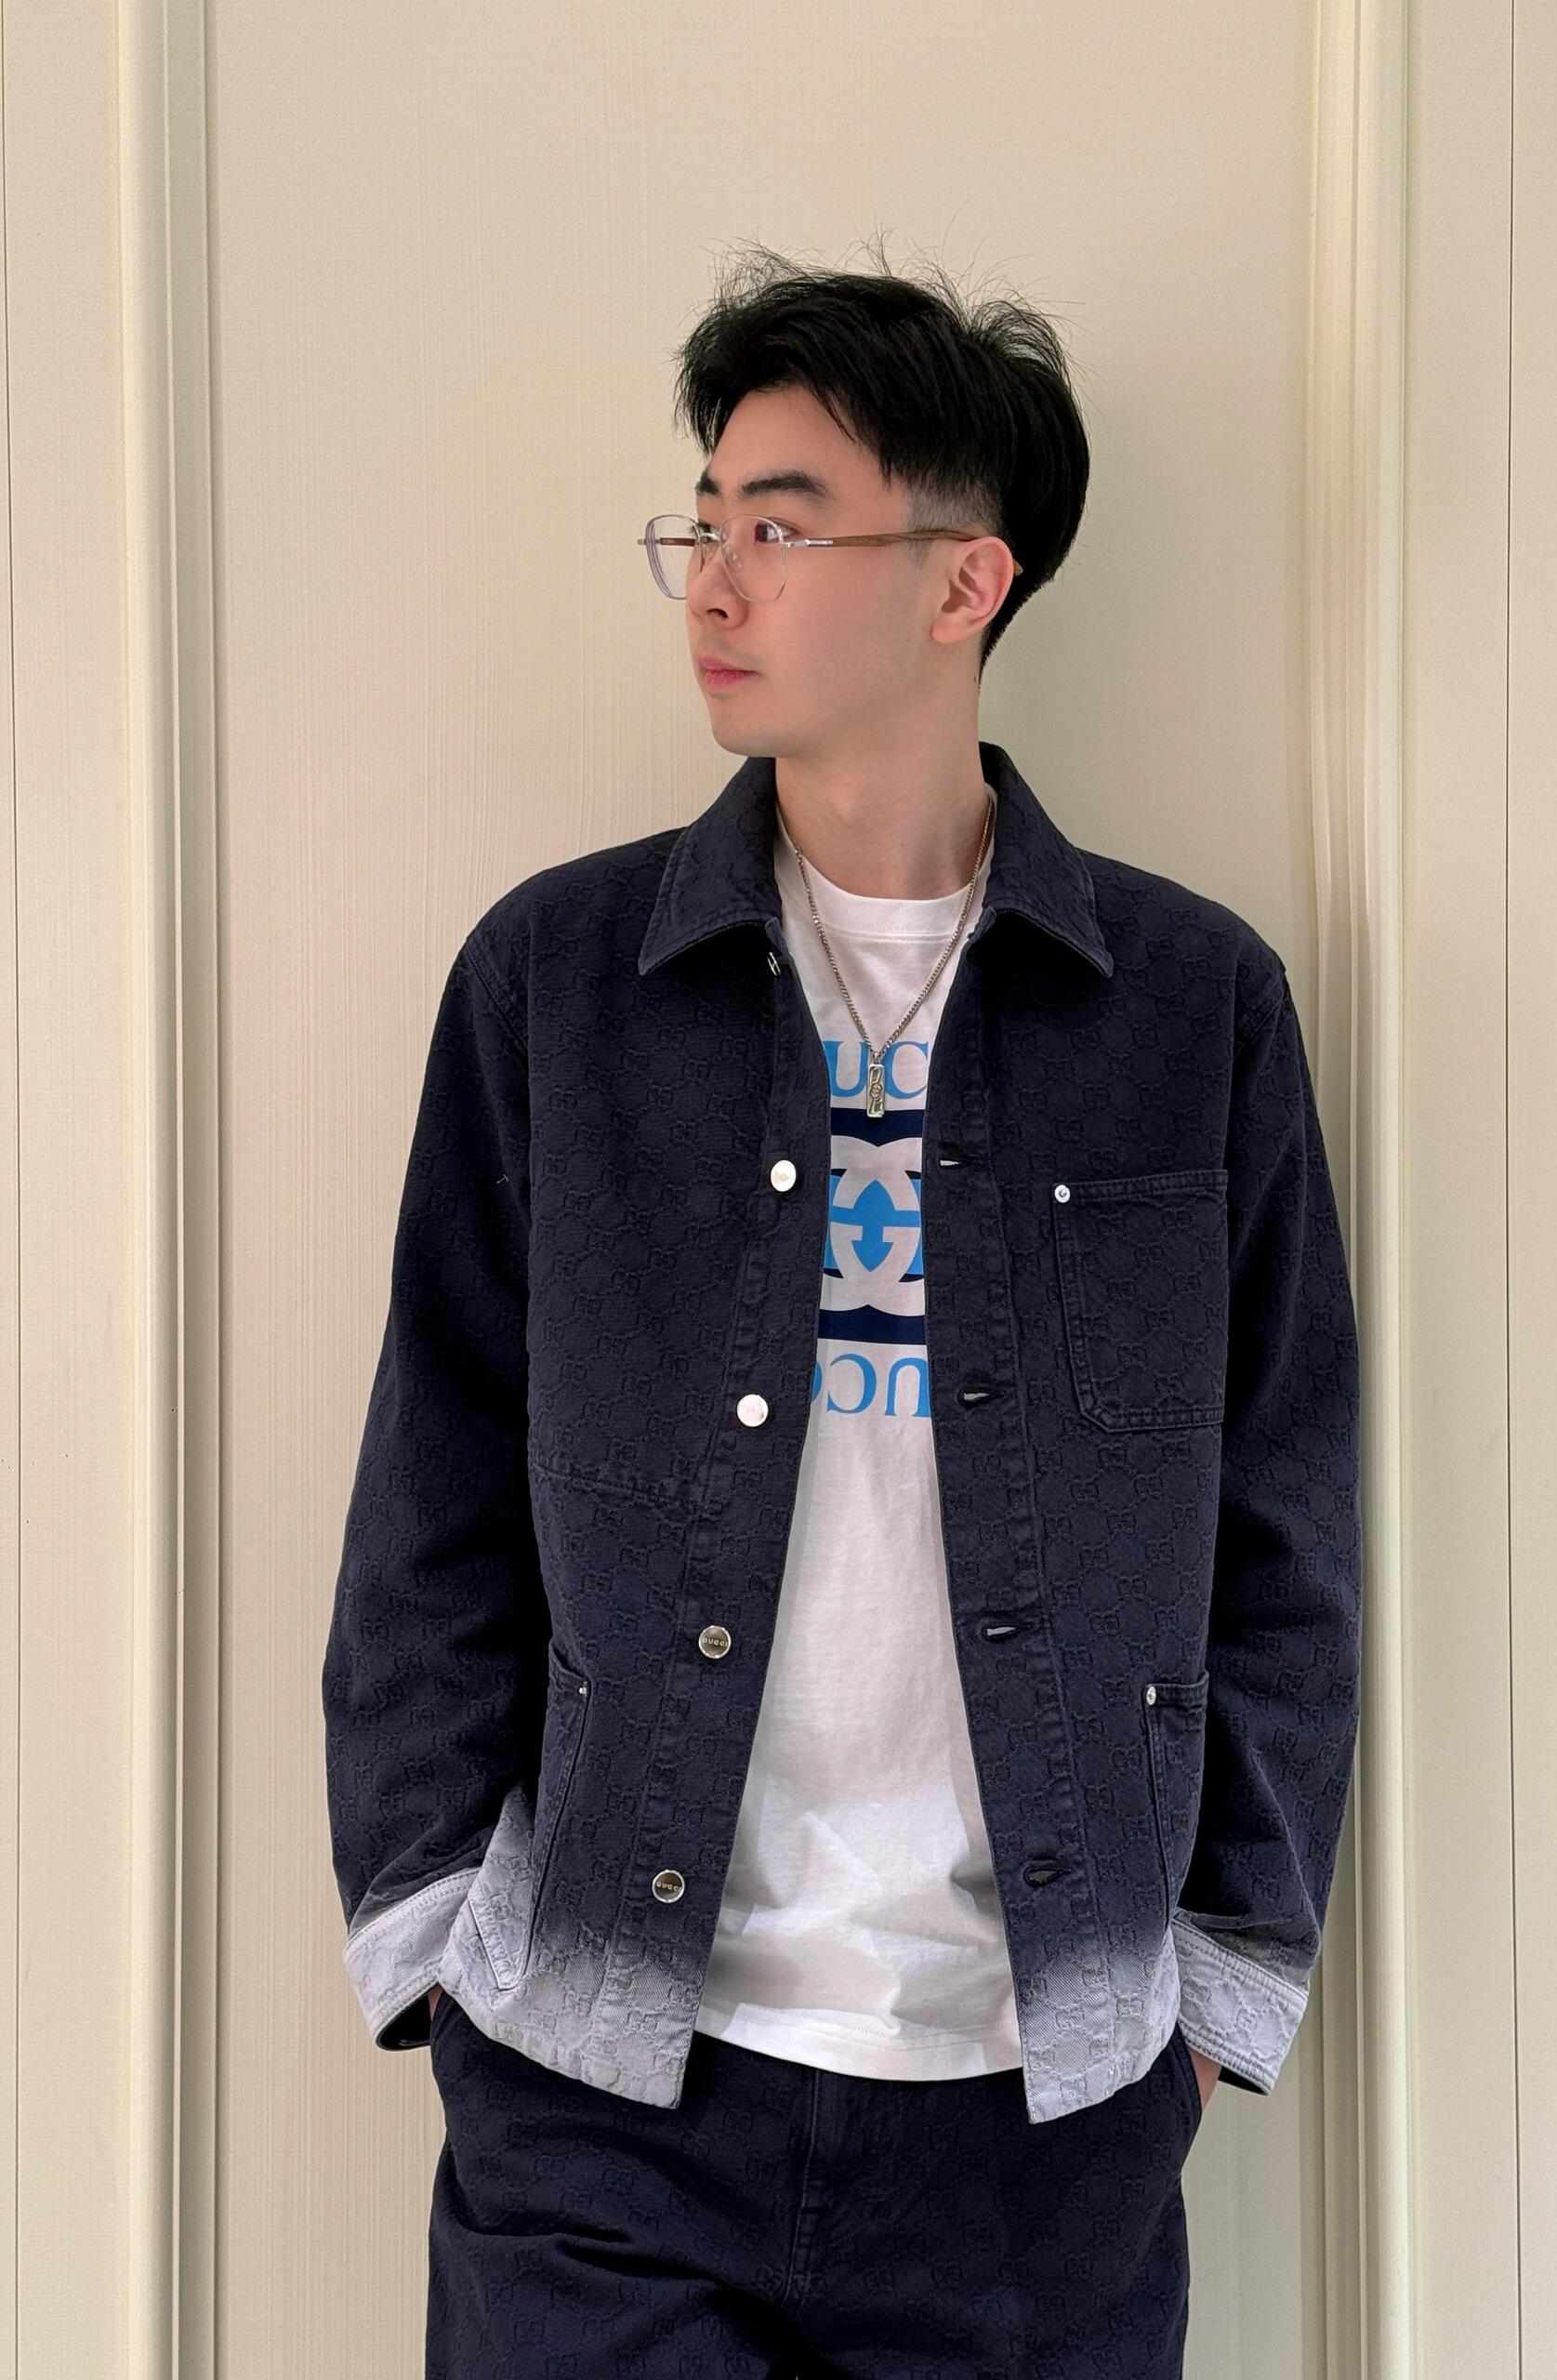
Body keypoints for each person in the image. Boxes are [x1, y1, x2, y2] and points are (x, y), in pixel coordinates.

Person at [322, 237, 1363, 2378]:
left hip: (1039, 2130)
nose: (714, 581)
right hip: (605, 2096)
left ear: (965, 581)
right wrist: (442, 1933)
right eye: (702, 522)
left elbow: (1288, 1526)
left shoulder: (1191, 1013)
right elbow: (433, 1476)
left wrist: (1213, 1982)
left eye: (780, 528)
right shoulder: (557, 985)